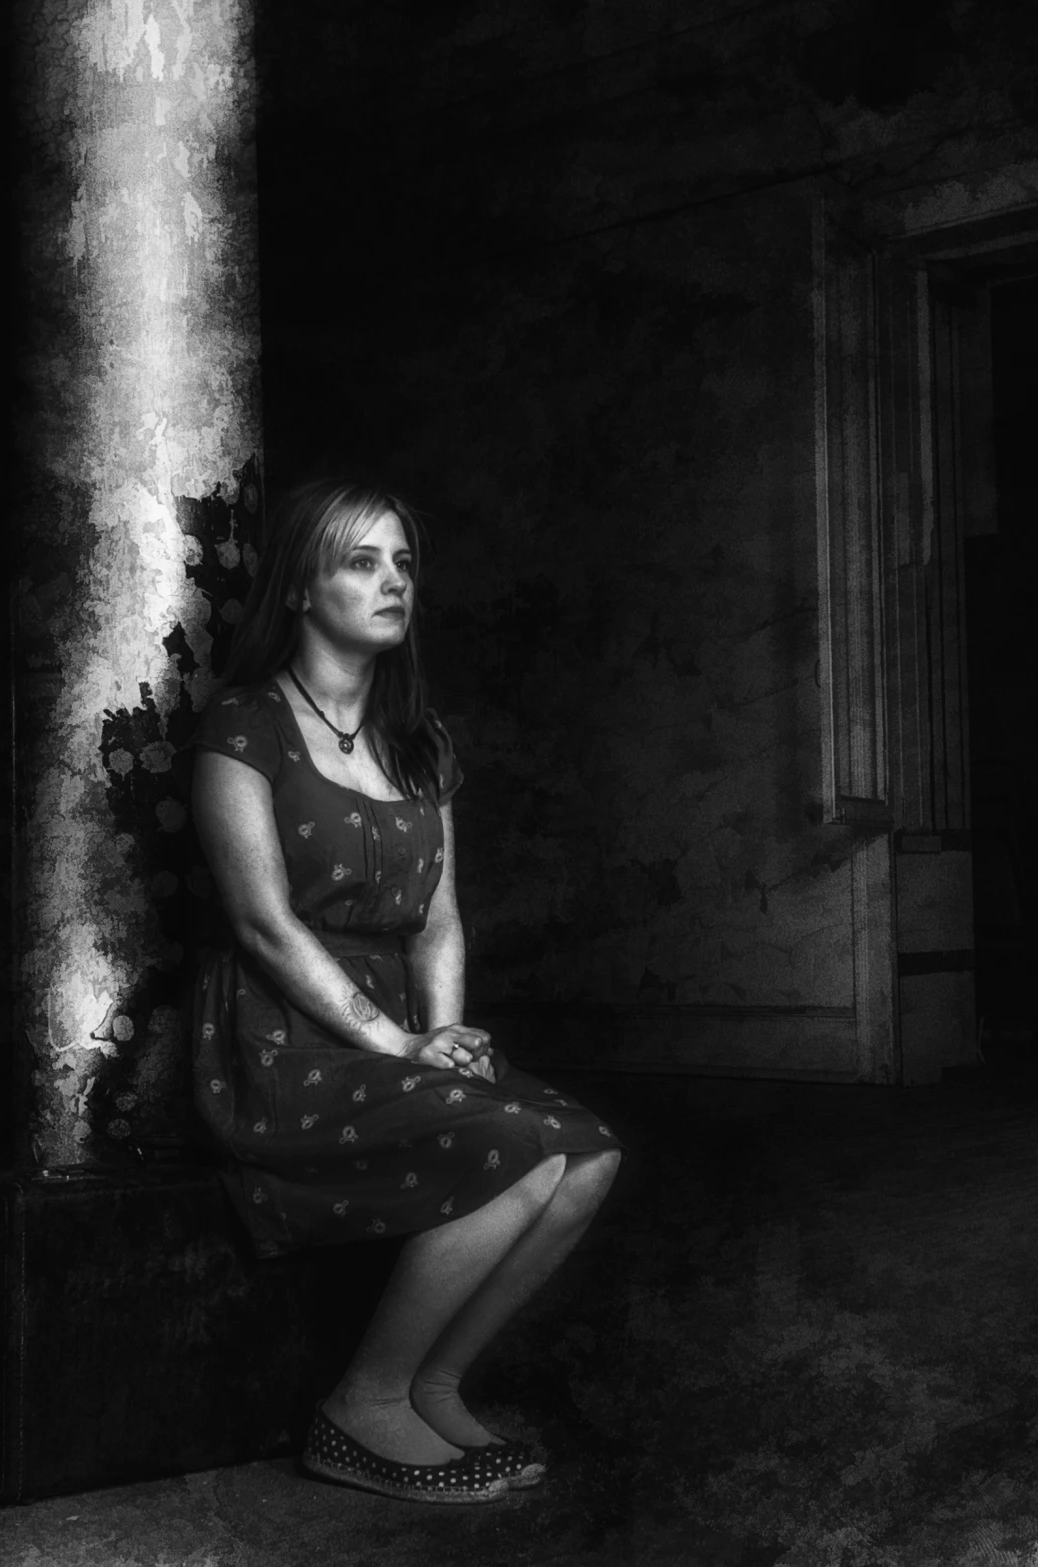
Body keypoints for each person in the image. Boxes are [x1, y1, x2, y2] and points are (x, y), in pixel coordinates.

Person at [188, 479, 623, 1505]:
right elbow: (261, 926)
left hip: (395, 1030)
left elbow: (436, 917)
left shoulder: (418, 741)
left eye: (402, 563)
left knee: (592, 1155)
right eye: (359, 561)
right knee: (513, 1150)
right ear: (300, 586)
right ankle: (361, 1408)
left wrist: (446, 1032)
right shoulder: (244, 727)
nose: (391, 582)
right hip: (284, 1035)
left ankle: (434, 1382)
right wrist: (393, 1042)